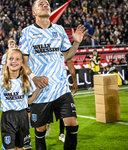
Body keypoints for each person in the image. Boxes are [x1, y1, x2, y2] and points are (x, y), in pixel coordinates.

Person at [19, 0, 87, 149]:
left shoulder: (59, 29)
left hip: (61, 87)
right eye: (41, 4)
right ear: (34, 12)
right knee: (40, 129)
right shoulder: (27, 32)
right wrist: (33, 78)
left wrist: (76, 43)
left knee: (72, 124)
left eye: (47, 4)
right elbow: (23, 62)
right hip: (41, 89)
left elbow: (67, 56)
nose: (45, 5)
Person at [0, 49, 41, 150]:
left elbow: (29, 101)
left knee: (19, 148)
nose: (14, 61)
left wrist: (39, 88)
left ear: (22, 63)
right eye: (11, 58)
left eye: (17, 59)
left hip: (23, 118)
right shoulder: (0, 81)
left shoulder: (26, 80)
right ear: (6, 62)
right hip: (8, 119)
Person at [45, 60, 77, 143]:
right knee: (48, 109)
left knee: (63, 115)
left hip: (61, 89)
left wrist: (74, 81)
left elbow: (70, 62)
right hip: (49, 88)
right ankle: (48, 121)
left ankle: (61, 134)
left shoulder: (62, 56)